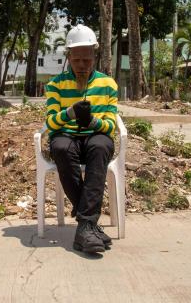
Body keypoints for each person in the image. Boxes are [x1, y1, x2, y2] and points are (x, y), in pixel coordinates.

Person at [44, 24, 119, 255]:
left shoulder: (108, 85)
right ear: (69, 57)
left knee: (101, 145)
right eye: (77, 60)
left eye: (87, 60)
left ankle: (85, 226)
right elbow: (50, 123)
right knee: (62, 148)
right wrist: (70, 114)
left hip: (94, 138)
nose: (82, 66)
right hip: (67, 137)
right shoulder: (55, 85)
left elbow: (110, 127)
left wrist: (94, 122)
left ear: (94, 56)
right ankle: (89, 226)